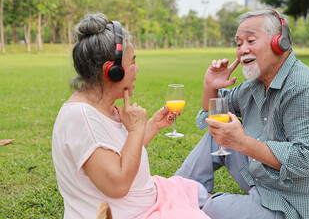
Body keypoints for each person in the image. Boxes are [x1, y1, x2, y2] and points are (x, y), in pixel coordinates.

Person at [175, 9, 309, 219]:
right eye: (238, 44)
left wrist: (241, 142)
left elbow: (306, 160)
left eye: (251, 40)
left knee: (215, 209)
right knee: (217, 130)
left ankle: (197, 202)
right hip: (267, 184)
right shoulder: (254, 86)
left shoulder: (306, 88)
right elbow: (213, 112)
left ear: (279, 43)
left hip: (298, 206)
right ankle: (177, 191)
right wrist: (211, 85)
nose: (242, 50)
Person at [52, 12, 209, 219]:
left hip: (151, 199)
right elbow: (118, 185)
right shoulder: (81, 118)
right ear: (112, 71)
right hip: (133, 214)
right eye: (133, 62)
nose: (137, 69)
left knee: (197, 192)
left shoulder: (101, 106)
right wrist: (135, 130)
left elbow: (120, 154)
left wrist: (151, 125)